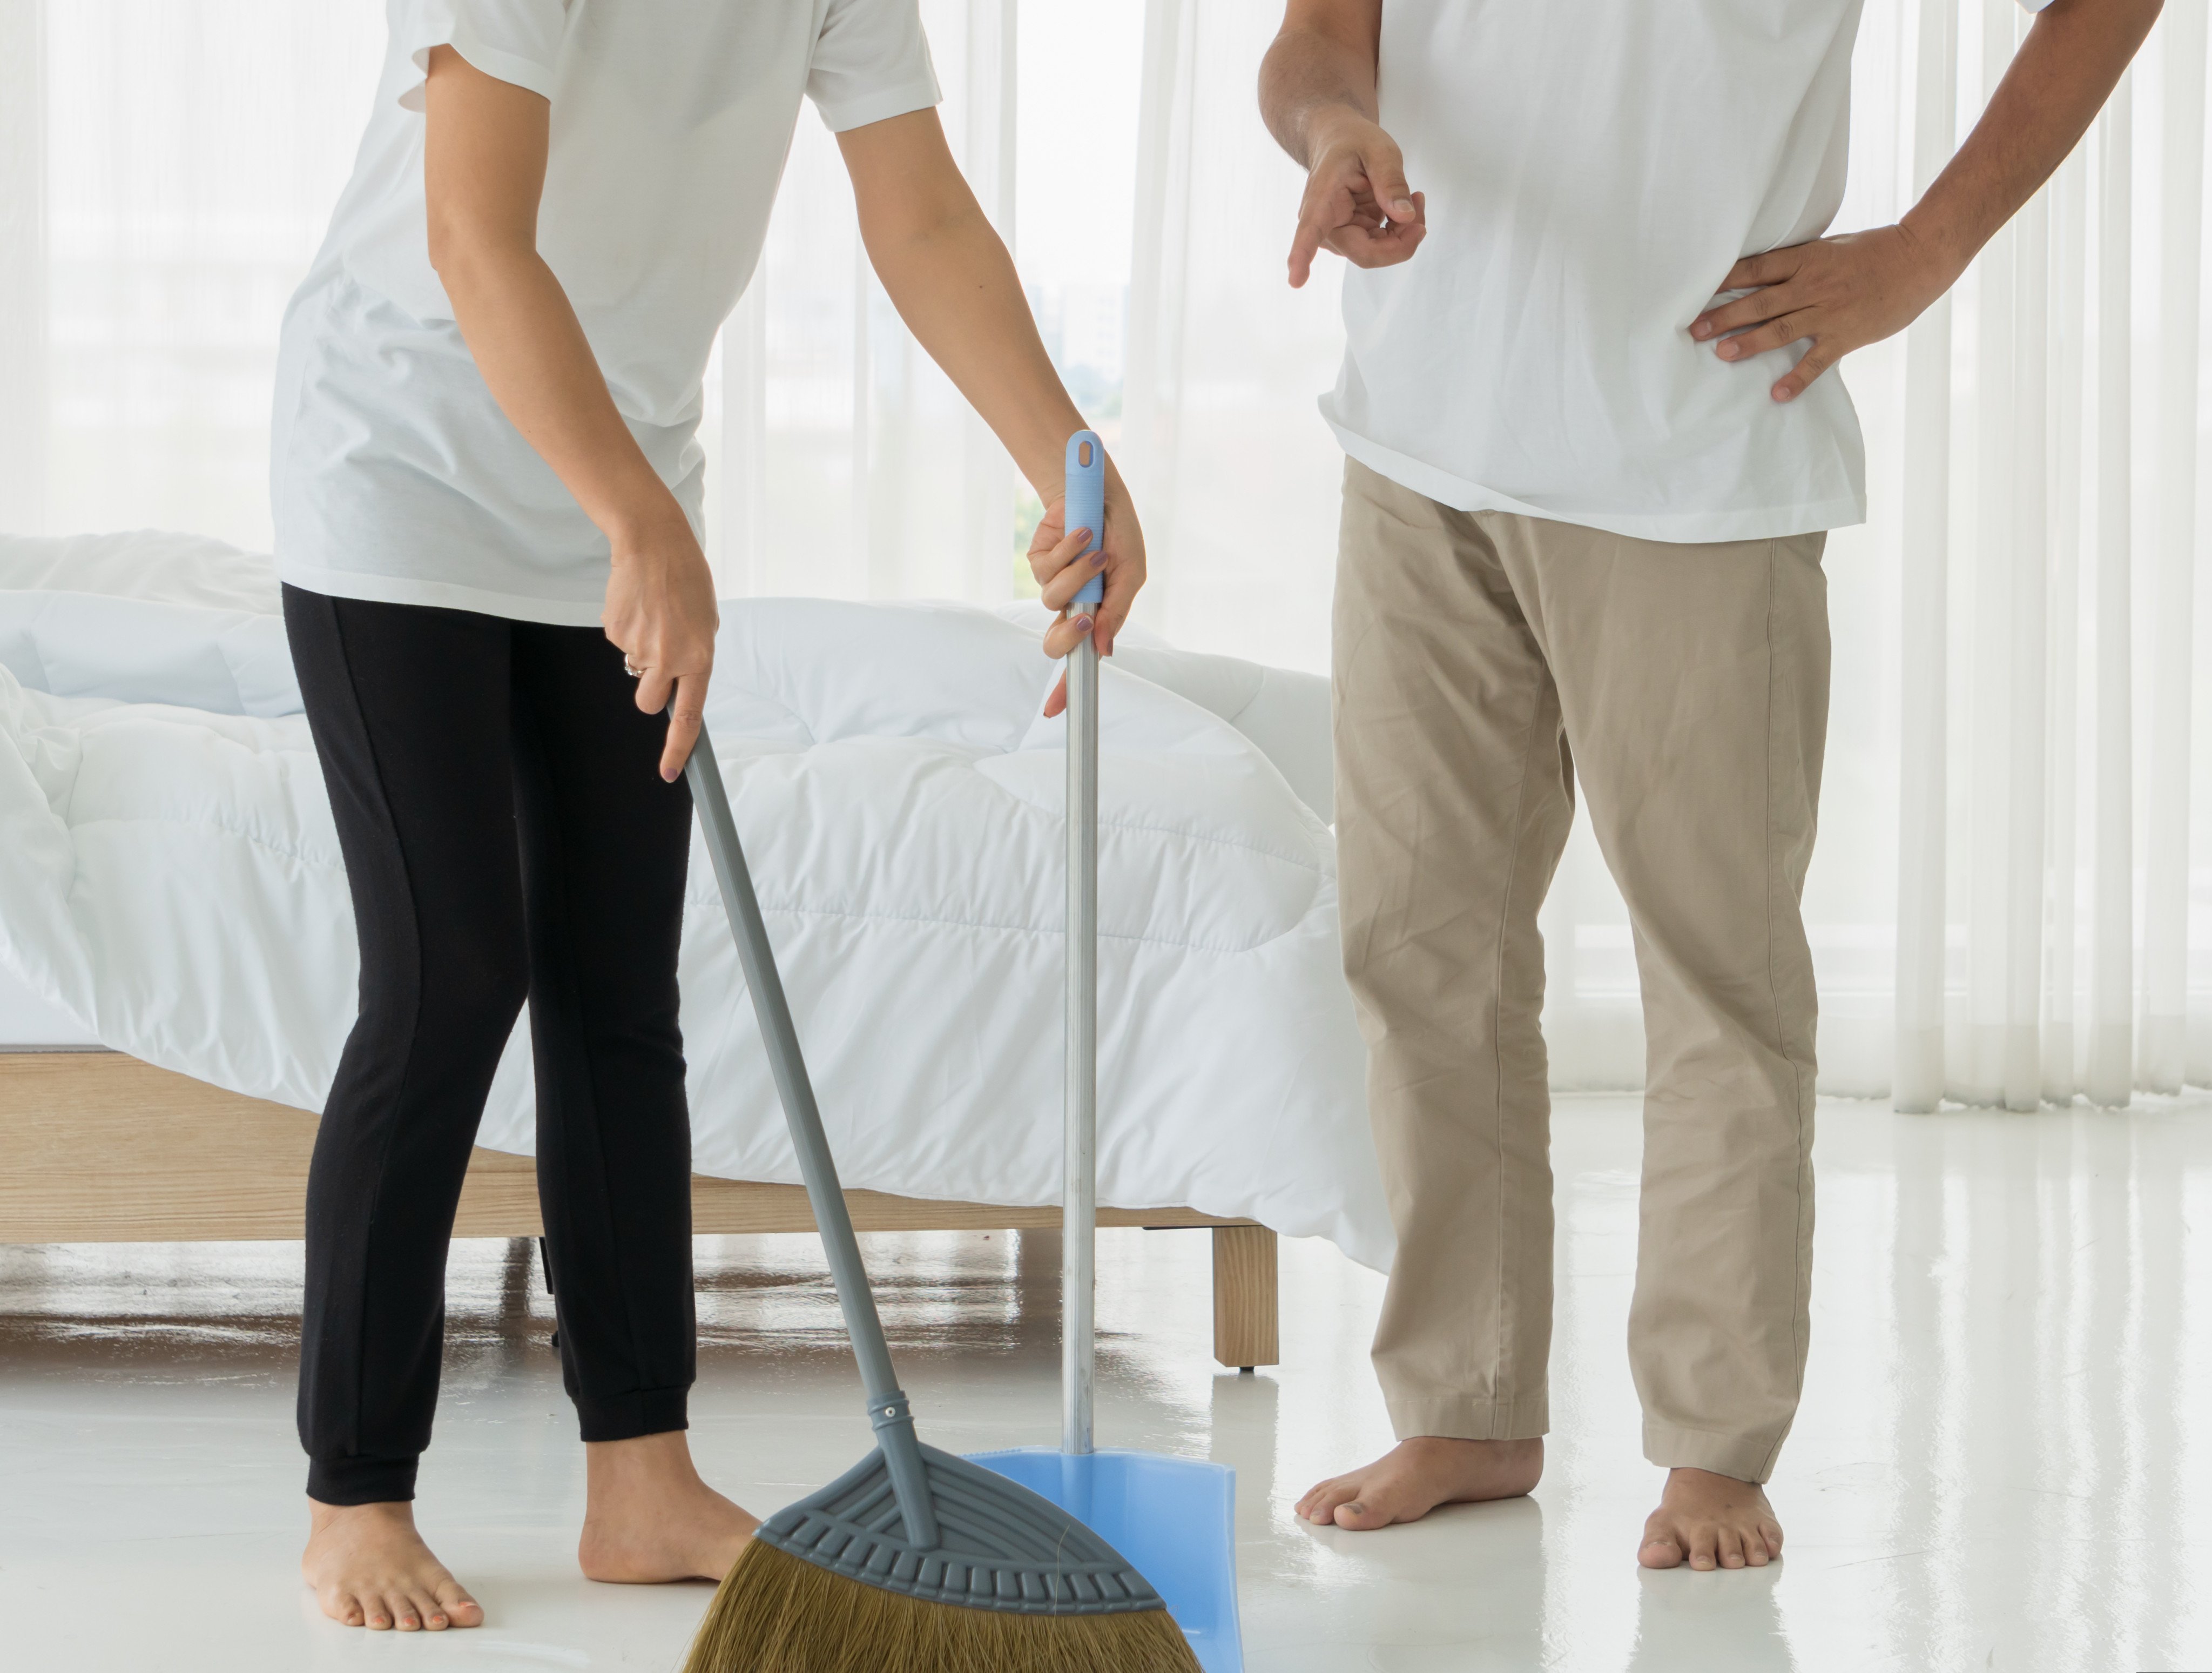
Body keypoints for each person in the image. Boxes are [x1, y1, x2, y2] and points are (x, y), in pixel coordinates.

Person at [272, 0, 1142, 1632]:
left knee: (617, 990)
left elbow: (922, 208)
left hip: (611, 497)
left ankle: (641, 1475)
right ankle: (356, 1495)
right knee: (452, 974)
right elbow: (473, 235)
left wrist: (1066, 453)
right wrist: (643, 522)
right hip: (401, 483)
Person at [1259, 0, 2156, 1571]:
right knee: (1420, 947)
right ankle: (1467, 1401)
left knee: (1717, 974)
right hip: (1419, 450)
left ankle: (1714, 1445)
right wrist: (1333, 128)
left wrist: (1930, 247)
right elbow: (1323, 36)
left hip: (1693, 473)